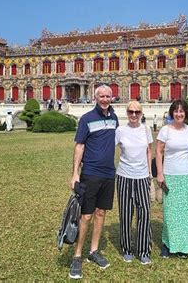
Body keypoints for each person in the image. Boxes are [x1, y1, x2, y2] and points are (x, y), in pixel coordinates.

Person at [69, 85, 119, 280]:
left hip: (108, 173)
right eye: (101, 96)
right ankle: (77, 255)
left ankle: (94, 251)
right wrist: (75, 173)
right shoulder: (87, 119)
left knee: (101, 213)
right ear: (95, 97)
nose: (105, 99)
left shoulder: (114, 118)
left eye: (108, 96)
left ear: (111, 97)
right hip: (90, 173)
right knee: (86, 216)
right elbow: (79, 146)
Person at [155, 99, 188, 259]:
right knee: (170, 211)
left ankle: (183, 246)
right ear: (172, 113)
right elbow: (158, 152)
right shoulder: (165, 130)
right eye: (176, 111)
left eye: (182, 111)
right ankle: (168, 243)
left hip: (187, 175)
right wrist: (160, 173)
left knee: (185, 212)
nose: (179, 114)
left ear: (185, 113)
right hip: (170, 174)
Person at [115, 101, 153, 265]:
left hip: (142, 176)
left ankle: (144, 250)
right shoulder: (120, 130)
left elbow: (148, 151)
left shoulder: (146, 129)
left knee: (144, 212)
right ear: (126, 112)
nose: (133, 115)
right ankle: (127, 249)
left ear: (141, 113)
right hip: (124, 175)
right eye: (131, 111)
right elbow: (110, 148)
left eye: (137, 112)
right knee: (126, 213)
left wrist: (150, 173)